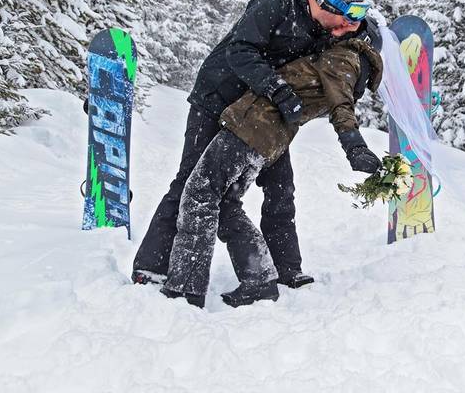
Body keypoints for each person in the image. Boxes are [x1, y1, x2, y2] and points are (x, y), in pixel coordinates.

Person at [133, 0, 382, 290]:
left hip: (260, 114)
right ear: (322, 2)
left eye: (349, 23)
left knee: (281, 189)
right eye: (341, 19)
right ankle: (151, 266)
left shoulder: (324, 29)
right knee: (191, 181)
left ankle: (286, 269)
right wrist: (278, 91)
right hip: (218, 99)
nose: (340, 29)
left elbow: (356, 46)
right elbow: (240, 51)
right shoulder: (276, 4)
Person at [161, 31, 384, 308]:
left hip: (251, 128)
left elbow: (342, 108)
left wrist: (355, 146)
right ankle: (259, 280)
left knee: (199, 193)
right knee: (226, 203)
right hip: (266, 138)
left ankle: (185, 289)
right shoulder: (345, 63)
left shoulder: (344, 60)